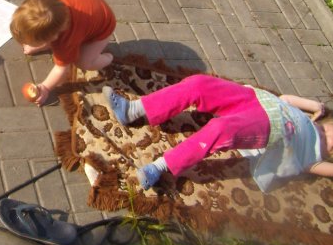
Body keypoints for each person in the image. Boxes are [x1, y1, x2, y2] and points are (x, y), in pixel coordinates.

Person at [102, 75, 333, 191]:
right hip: (260, 100)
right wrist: (314, 106)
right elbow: (285, 99)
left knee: (221, 130)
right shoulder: (308, 118)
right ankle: (132, 110)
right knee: (199, 84)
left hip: (272, 128)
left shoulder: (311, 157)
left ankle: (158, 168)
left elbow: (313, 167)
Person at [10, 0, 116, 107]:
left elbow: (61, 69)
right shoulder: (42, 5)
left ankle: (108, 58)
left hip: (104, 26)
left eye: (36, 42)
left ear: (55, 37)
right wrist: (37, 42)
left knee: (83, 62)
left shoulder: (66, 41)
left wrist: (45, 87)